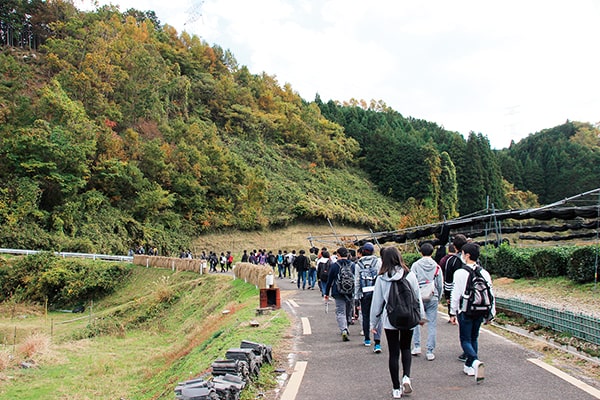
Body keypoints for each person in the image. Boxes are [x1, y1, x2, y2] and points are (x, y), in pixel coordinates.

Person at [370, 246, 425, 399]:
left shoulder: (381, 278)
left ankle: (395, 388)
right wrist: (420, 317)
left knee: (394, 353)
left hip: (390, 320)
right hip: (409, 318)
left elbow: (377, 303)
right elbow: (417, 298)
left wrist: (373, 324)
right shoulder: (410, 275)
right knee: (406, 348)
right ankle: (406, 377)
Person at [449, 242, 496, 384]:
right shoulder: (484, 273)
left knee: (465, 339)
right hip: (481, 310)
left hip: (466, 310)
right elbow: (491, 294)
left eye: (463, 253)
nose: (461, 256)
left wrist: (452, 312)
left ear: (467, 255)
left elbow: (456, 294)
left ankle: (475, 362)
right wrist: (491, 313)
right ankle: (468, 366)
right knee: (474, 337)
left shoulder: (460, 273)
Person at [410, 242, 443, 360]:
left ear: (421, 252)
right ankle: (430, 351)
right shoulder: (437, 266)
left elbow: (411, 282)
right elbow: (440, 285)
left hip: (418, 296)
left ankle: (417, 346)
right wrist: (438, 298)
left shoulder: (415, 265)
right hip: (432, 296)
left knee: (416, 322)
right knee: (432, 324)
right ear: (432, 252)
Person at [354, 243, 382, 352]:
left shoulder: (358, 265)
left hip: (364, 293)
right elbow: (381, 277)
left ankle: (367, 339)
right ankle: (377, 342)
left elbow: (357, 281)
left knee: (365, 316)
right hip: (376, 293)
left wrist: (356, 296)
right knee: (377, 316)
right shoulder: (378, 262)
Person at [325, 247, 356, 341]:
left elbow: (329, 280)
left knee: (340, 311)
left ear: (338, 255)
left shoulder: (335, 265)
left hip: (338, 292)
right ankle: (347, 326)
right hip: (350, 292)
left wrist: (326, 293)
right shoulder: (353, 265)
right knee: (348, 310)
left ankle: (343, 329)